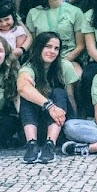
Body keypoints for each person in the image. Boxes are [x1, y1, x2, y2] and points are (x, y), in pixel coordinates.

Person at [17, 32, 78, 164]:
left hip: (60, 123)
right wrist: (49, 106)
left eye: (56, 48)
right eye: (48, 46)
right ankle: (31, 144)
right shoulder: (29, 67)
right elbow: (22, 87)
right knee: (27, 95)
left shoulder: (64, 66)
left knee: (59, 92)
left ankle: (50, 144)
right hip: (37, 123)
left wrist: (74, 124)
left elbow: (70, 96)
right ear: (39, 47)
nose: (52, 51)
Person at [24, 0, 86, 78]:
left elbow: (80, 46)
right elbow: (33, 45)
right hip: (41, 60)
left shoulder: (75, 12)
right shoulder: (33, 13)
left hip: (68, 58)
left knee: (78, 75)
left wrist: (63, 61)